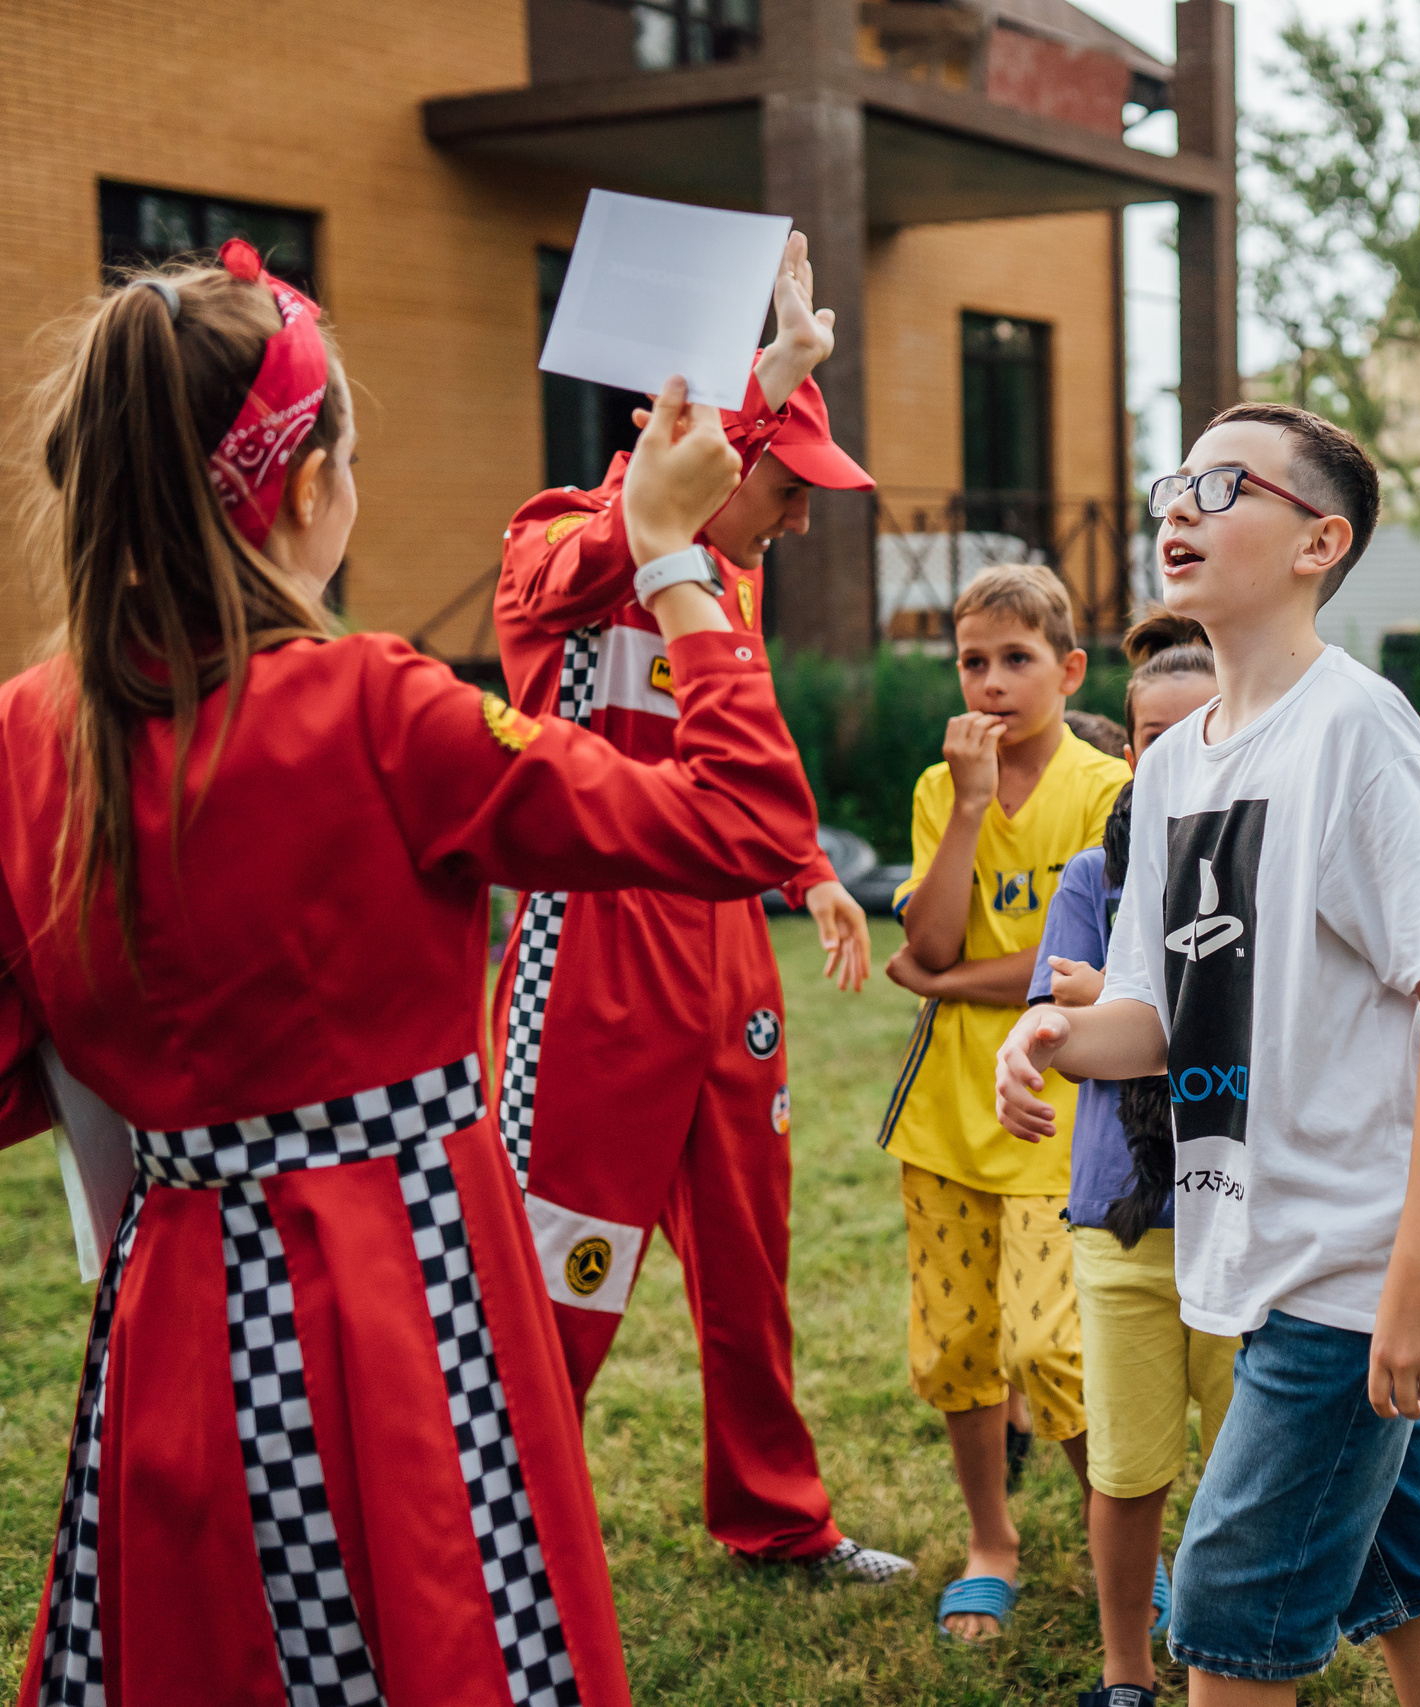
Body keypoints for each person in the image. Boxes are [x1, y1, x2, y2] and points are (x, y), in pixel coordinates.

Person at [2, 241, 810, 1704]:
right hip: (407, 1280)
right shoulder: (375, 706)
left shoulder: (28, 732)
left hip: (174, 1293)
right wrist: (682, 565)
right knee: (450, 1629)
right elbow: (742, 821)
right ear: (306, 488)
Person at [995, 402, 1420, 1706]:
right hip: (1260, 1237)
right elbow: (1163, 1017)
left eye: (1226, 486)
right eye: (1177, 479)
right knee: (1408, 1576)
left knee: (1225, 1609)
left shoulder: (1358, 729)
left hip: (1354, 1257)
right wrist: (1051, 1033)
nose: (1179, 505)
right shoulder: (1171, 774)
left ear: (1317, 542)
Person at [491, 233, 904, 1581]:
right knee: (560, 1253)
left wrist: (809, 871)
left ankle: (780, 1517)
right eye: (787, 487)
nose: (797, 518)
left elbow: (741, 729)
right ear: (723, 461)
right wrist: (757, 380)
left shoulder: (730, 570)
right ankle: (487, 1512)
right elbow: (610, 552)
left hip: (723, 938)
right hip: (596, 938)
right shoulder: (558, 536)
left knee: (748, 1248)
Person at [880, 562, 1131, 1640]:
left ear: (1069, 671)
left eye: (1016, 660)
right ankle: (994, 1541)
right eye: (972, 662)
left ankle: (1120, 1536)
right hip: (946, 1121)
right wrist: (971, 808)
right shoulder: (946, 788)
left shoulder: (1104, 792)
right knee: (958, 1348)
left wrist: (944, 983)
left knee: (1054, 1347)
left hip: (1054, 1116)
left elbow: (1077, 962)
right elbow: (929, 937)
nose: (990, 684)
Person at [1028, 608, 1232, 1707]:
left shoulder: (1259, 868)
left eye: (1197, 726)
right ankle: (1125, 1670)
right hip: (1120, 1220)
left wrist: (1099, 994)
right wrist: (1076, 1012)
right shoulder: (1087, 879)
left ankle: (1224, 1661)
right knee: (1127, 1469)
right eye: (1148, 735)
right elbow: (1062, 1034)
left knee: (1242, 1476)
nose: (1166, 751)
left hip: (1242, 1217)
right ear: (1127, 750)